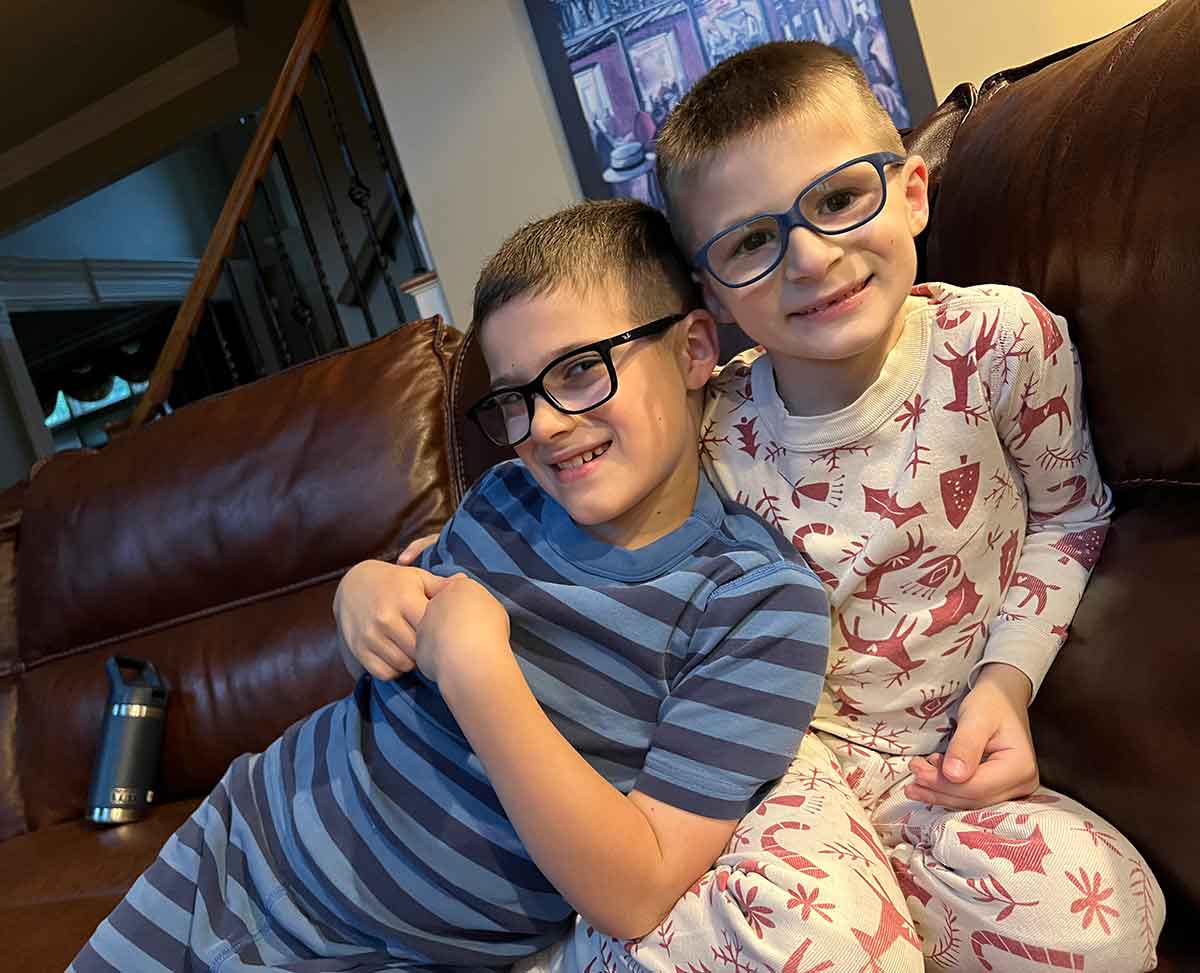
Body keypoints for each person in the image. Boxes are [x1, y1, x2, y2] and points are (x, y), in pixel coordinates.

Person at [68, 199, 830, 972]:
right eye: (515, 396)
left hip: (397, 953)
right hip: (237, 844)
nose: (545, 425)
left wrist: (479, 673)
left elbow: (637, 891)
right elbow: (389, 680)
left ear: (694, 349)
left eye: (578, 370)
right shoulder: (504, 497)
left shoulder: (759, 605)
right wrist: (360, 596)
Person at [596, 39, 1159, 972]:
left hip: (939, 772)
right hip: (780, 769)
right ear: (712, 296)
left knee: (1106, 923)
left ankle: (875, 915)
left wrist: (1006, 685)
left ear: (911, 191)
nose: (810, 257)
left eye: (838, 198)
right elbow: (596, 529)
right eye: (749, 242)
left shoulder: (1000, 343)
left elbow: (1070, 516)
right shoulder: (708, 432)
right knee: (815, 946)